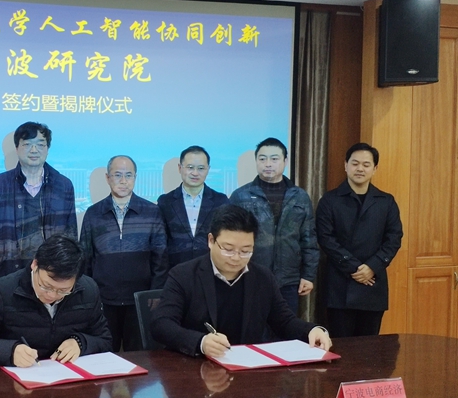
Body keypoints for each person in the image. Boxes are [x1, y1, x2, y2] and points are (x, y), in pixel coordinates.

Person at [150, 205, 331, 358]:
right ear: (211, 241)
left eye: (246, 251)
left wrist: (311, 330)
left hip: (246, 367)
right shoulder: (184, 275)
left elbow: (284, 321)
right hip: (195, 367)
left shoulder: (263, 277)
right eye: (228, 249)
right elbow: (161, 324)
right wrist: (200, 342)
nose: (236, 258)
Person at [0, 235, 112, 367]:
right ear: (35, 265)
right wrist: (10, 351)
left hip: (68, 383)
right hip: (14, 386)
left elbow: (105, 340)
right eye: (46, 286)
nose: (52, 295)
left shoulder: (88, 290)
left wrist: (80, 343)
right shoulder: (2, 291)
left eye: (63, 291)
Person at [0, 122, 77, 294]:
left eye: (40, 145)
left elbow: (70, 237)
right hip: (6, 276)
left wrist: (69, 277)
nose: (34, 150)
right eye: (27, 144)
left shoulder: (63, 185)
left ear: (48, 149)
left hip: (51, 280)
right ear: (17, 148)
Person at [79, 155, 168, 351]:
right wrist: (89, 297)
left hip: (140, 300)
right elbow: (85, 259)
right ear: (107, 178)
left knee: (140, 358)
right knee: (104, 356)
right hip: (103, 300)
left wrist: (155, 294)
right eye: (117, 175)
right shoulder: (93, 214)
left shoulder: (151, 212)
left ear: (135, 178)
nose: (123, 180)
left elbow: (160, 258)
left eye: (128, 175)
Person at [316, 142, 403, 338]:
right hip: (340, 285)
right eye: (355, 163)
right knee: (341, 346)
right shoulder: (329, 200)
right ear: (345, 165)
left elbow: (394, 238)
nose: (360, 169)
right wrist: (354, 268)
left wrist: (372, 266)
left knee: (369, 347)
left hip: (373, 284)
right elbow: (325, 238)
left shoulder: (386, 201)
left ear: (375, 168)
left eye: (366, 164)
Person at [229, 137, 319, 315]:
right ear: (256, 161)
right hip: (249, 276)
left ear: (285, 161)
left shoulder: (300, 196)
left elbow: (309, 239)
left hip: (289, 280)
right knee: (251, 327)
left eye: (274, 159)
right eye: (262, 159)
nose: (268, 164)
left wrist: (308, 276)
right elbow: (230, 238)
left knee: (285, 327)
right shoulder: (240, 196)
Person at [158, 145, 229, 268]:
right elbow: (160, 242)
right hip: (175, 270)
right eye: (190, 167)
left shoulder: (221, 201)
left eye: (201, 168)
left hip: (211, 269)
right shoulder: (165, 202)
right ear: (180, 168)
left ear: (208, 169)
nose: (195, 173)